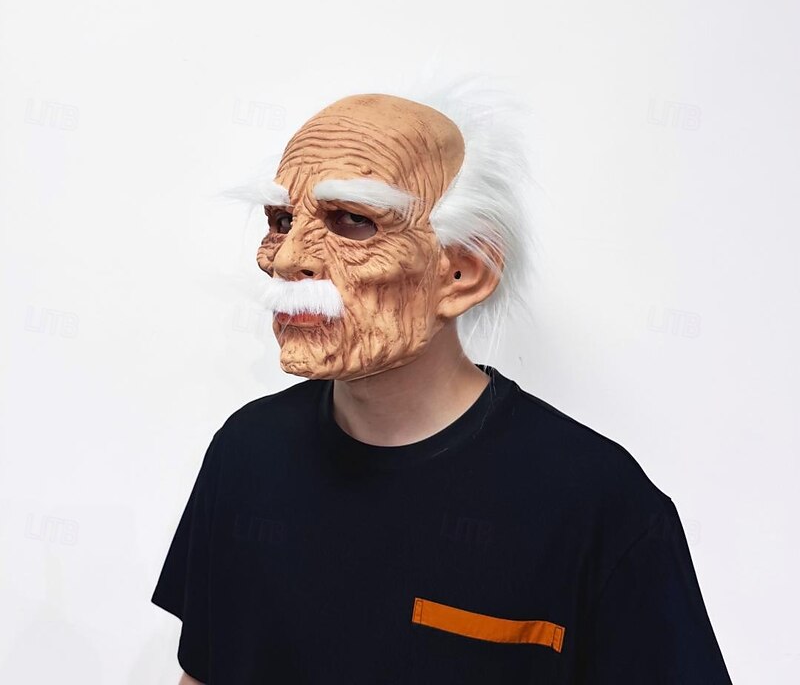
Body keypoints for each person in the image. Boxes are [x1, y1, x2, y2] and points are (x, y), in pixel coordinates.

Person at [151, 84, 734, 684]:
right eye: (281, 221)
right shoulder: (247, 452)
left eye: (353, 221)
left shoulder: (594, 502)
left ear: (461, 274)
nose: (286, 258)